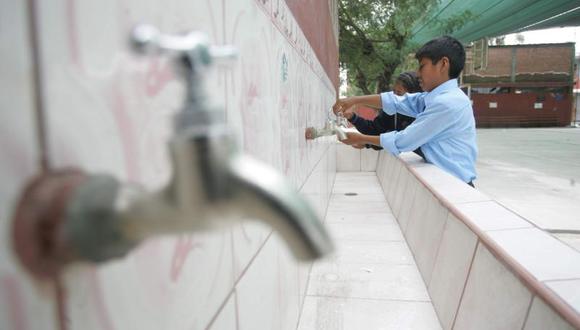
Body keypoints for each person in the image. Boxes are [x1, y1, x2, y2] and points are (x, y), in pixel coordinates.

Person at [333, 36, 477, 186]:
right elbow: (398, 101)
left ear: (443, 64)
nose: (418, 73)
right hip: (445, 182)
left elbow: (404, 141)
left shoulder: (448, 103)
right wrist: (355, 100)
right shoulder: (433, 98)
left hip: (456, 186)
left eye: (422, 66)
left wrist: (362, 139)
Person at [338, 71, 423, 151]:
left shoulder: (421, 116)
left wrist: (366, 141)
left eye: (399, 93)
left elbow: (400, 140)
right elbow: (375, 130)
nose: (394, 97)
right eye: (393, 91)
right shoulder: (393, 111)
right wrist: (352, 117)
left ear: (413, 96)